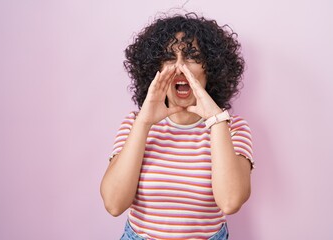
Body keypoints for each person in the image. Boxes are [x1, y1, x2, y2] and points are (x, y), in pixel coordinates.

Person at [100, 11, 254, 240]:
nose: (180, 67)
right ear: (156, 68)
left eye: (192, 57)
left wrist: (215, 119)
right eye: (170, 58)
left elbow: (230, 202)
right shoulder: (134, 123)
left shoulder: (232, 128)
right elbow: (113, 204)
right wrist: (144, 122)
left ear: (211, 68)